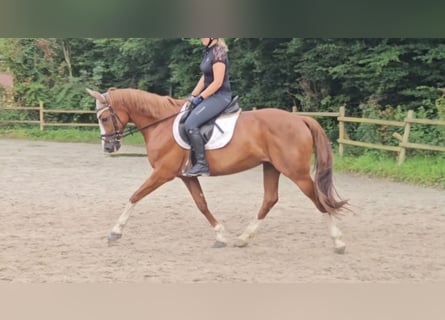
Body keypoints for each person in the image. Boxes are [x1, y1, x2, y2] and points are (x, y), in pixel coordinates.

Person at [183, 38, 232, 177]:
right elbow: (204, 78)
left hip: (220, 96)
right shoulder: (208, 52)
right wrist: (192, 96)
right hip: (211, 95)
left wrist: (200, 98)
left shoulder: (218, 53)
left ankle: (201, 164)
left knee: (191, 124)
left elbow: (217, 82)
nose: (201, 38)